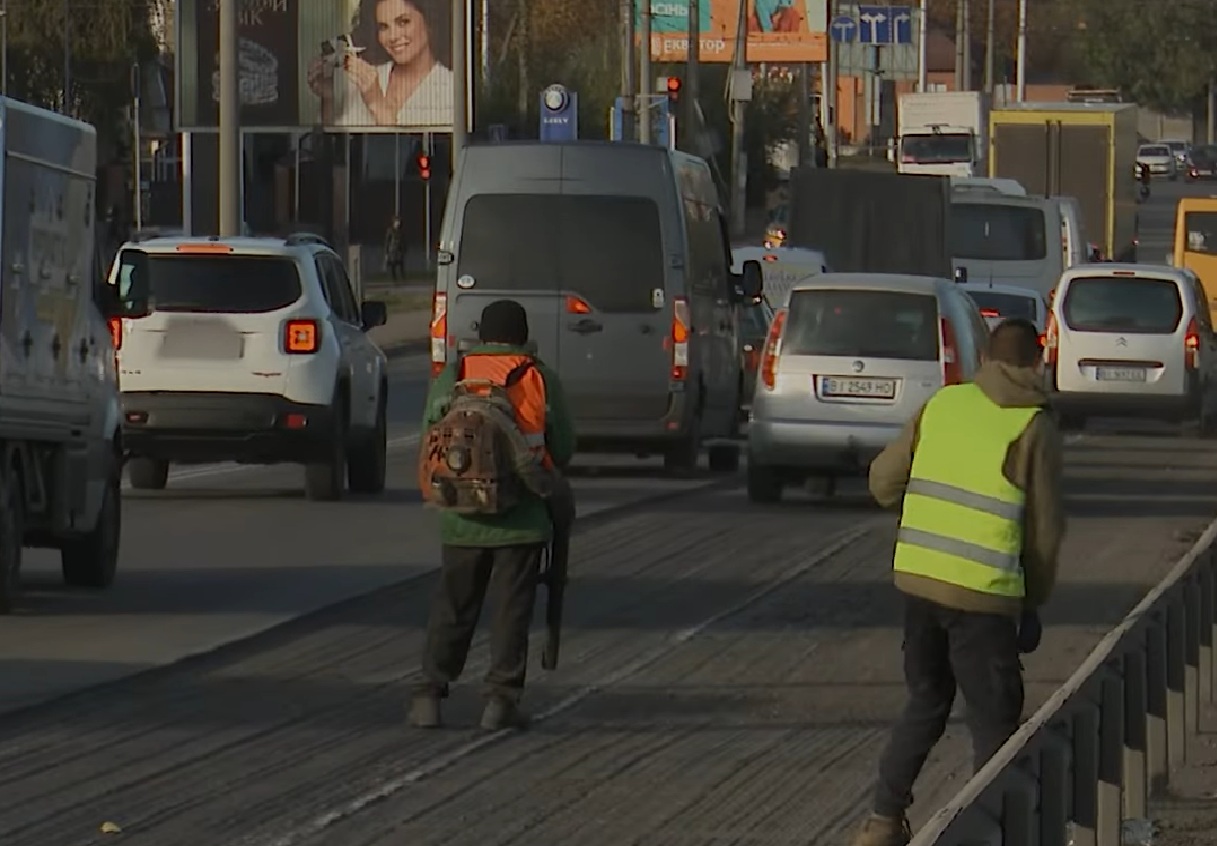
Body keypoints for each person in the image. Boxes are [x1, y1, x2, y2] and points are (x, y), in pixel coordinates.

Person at [850, 318, 1066, 846]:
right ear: (1036, 363)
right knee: (994, 724)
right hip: (984, 595)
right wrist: (1031, 603)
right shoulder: (1034, 426)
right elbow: (1043, 533)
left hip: (920, 584)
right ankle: (989, 834)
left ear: (987, 359)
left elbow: (882, 482)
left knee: (926, 699)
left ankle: (883, 821)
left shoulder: (944, 405)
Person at [411, 299, 576, 731]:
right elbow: (563, 447)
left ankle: (429, 693)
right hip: (520, 519)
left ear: (482, 335)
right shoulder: (537, 376)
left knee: (453, 604)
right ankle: (500, 701)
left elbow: (433, 424)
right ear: (522, 336)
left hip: (460, 515)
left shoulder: (457, 373)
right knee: (511, 609)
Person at [306, 0, 454, 128]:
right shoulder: (363, 79)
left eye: (403, 22)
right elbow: (336, 148)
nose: (393, 36)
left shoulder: (451, 88)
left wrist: (376, 104)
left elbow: (420, 152)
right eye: (383, 27)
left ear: (429, 22)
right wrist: (328, 99)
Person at [384, 216, 406, 281]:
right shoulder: (390, 231)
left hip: (399, 250)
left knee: (401, 263)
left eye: (399, 222)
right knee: (393, 264)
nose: (398, 223)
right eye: (397, 222)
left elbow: (403, 240)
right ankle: (394, 278)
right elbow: (387, 242)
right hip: (392, 250)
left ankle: (402, 277)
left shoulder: (401, 231)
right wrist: (386, 252)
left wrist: (404, 248)